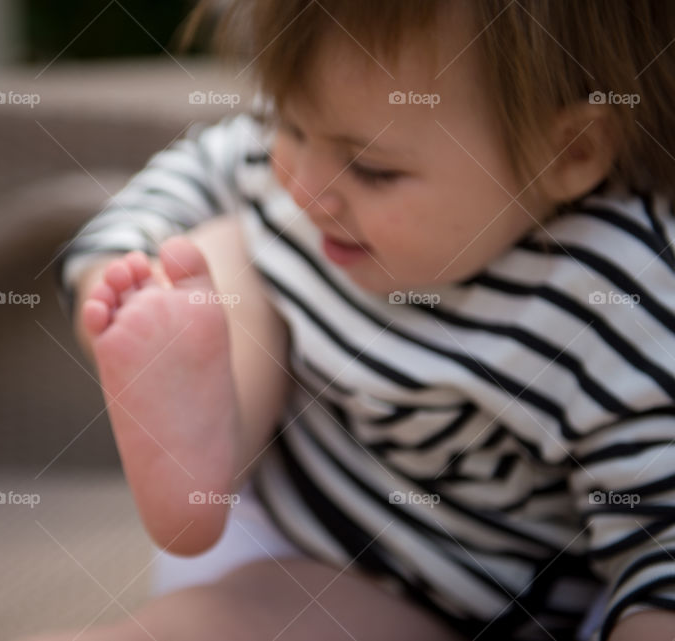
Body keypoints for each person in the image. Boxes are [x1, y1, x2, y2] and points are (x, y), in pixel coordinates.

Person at [39, 1, 675, 639]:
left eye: (373, 170)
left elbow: (661, 542)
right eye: (287, 122)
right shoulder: (291, 150)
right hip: (248, 517)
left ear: (569, 152)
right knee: (206, 254)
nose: (303, 186)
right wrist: (127, 288)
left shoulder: (614, 296)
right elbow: (158, 199)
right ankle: (201, 440)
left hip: (422, 605)